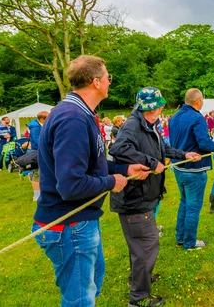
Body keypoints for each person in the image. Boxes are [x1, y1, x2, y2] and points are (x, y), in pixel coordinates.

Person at [32, 55, 147, 307]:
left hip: (80, 221)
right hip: (68, 224)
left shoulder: (82, 113)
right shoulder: (72, 118)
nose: (109, 82)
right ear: (96, 82)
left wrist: (124, 168)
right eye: (108, 77)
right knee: (80, 301)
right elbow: (71, 185)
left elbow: (93, 165)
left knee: (90, 288)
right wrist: (111, 182)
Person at [110, 87, 200, 307]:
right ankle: (138, 298)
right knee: (147, 246)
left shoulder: (148, 125)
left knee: (141, 246)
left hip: (143, 197)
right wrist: (151, 163)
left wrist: (184, 155)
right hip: (134, 199)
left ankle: (141, 279)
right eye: (160, 105)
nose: (162, 108)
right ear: (153, 108)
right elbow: (118, 148)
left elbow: (161, 149)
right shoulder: (133, 125)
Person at [169, 88, 214, 251]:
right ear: (198, 100)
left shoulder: (175, 117)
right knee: (193, 206)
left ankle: (180, 238)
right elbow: (204, 143)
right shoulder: (197, 118)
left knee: (184, 203)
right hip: (193, 169)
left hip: (178, 168)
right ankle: (189, 242)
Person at [25, 111, 48, 201]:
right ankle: (37, 195)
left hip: (43, 151)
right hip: (38, 152)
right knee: (37, 174)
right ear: (42, 119)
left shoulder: (39, 126)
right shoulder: (35, 128)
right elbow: (38, 142)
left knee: (42, 173)